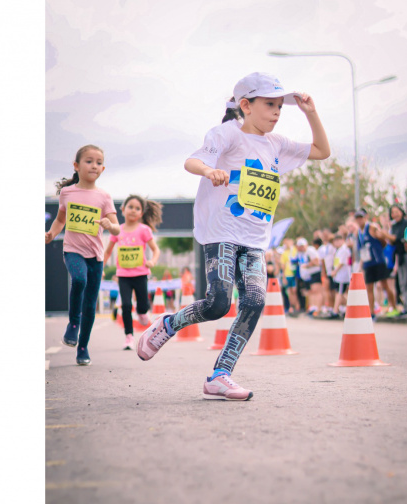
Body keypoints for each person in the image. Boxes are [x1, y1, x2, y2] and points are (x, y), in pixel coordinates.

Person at [136, 71, 330, 401]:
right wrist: (209, 170)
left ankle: (220, 375)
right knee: (218, 303)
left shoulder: (278, 144)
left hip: (255, 239)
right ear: (246, 105)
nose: (276, 112)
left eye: (280, 106)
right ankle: (168, 325)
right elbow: (192, 160)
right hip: (222, 232)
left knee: (254, 301)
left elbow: (321, 151)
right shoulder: (227, 134)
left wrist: (310, 112)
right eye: (270, 104)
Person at [45, 145, 121, 365]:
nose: (94, 165)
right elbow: (61, 219)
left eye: (98, 162)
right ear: (76, 166)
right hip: (72, 250)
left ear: (103, 168)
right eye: (89, 161)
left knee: (90, 304)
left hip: (95, 256)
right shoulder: (67, 193)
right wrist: (52, 233)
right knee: (79, 279)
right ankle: (73, 324)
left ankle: (83, 348)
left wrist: (109, 225)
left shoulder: (104, 196)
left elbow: (117, 229)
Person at [103, 194, 163, 350]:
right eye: (130, 207)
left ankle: (143, 312)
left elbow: (156, 250)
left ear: (141, 213)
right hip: (123, 276)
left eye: (137, 208)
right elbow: (108, 251)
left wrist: (152, 261)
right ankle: (129, 336)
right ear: (122, 210)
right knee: (127, 305)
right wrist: (100, 267)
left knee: (142, 305)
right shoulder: (118, 231)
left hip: (141, 274)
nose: (133, 211)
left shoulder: (144, 230)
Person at [353, 209, 394, 319]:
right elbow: (361, 250)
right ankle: (371, 312)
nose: (359, 220)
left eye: (361, 217)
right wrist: (360, 266)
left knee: (384, 285)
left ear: (365, 218)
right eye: (357, 218)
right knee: (369, 287)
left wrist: (378, 250)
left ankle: (394, 306)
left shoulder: (372, 227)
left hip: (378, 261)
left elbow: (383, 240)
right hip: (367, 263)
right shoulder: (358, 233)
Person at [385, 204, 407, 316]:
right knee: (402, 282)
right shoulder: (394, 226)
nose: (395, 214)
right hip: (399, 256)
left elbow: (396, 238)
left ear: (401, 212)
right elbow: (392, 241)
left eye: (396, 211)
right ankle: (406, 306)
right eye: (392, 212)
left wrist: (384, 233)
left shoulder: (406, 224)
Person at [332, 233, 352, 315]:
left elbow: (342, 262)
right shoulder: (339, 249)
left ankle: (335, 310)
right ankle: (347, 307)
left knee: (339, 292)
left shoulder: (344, 249)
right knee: (341, 293)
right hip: (339, 275)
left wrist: (335, 271)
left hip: (342, 275)